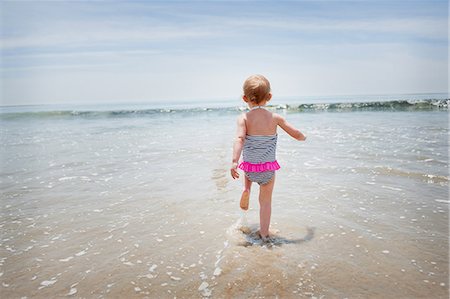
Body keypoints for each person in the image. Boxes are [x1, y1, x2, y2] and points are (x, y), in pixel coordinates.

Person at [230, 74, 306, 241]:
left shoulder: (243, 118)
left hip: (249, 167)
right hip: (267, 169)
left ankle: (247, 188)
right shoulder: (275, 118)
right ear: (269, 97)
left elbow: (239, 139)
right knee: (265, 202)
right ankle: (264, 234)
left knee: (248, 167)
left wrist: (235, 161)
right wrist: (303, 137)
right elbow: (296, 133)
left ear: (244, 98)